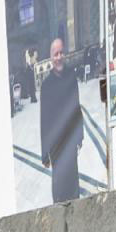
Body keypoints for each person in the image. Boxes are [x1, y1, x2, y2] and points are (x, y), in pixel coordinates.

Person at [39, 37, 83, 204]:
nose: (59, 57)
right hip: (56, 145)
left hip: (70, 140)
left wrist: (80, 135)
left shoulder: (71, 77)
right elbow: (44, 120)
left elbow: (77, 107)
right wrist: (45, 153)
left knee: (73, 184)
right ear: (51, 57)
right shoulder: (46, 86)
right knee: (59, 188)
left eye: (61, 53)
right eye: (55, 54)